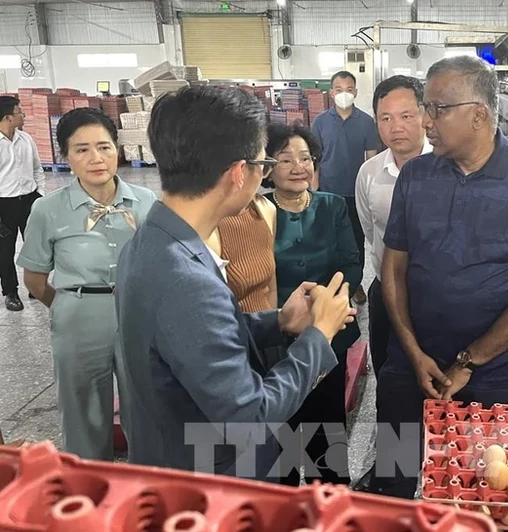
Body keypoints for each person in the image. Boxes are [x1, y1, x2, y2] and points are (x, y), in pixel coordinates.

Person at [114, 86, 356, 480]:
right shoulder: (186, 278)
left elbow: (189, 339)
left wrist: (275, 320)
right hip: (212, 478)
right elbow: (252, 414)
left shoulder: (151, 240)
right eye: (265, 161)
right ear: (239, 172)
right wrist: (319, 334)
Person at [373, 56, 508, 498]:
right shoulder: (416, 176)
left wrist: (467, 362)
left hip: (492, 374)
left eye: (436, 109)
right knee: (393, 478)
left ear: (479, 114)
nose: (426, 121)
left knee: (480, 490)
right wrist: (411, 349)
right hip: (410, 364)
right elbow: (394, 267)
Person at [16, 108, 157, 460]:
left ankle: (146, 481)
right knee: (83, 411)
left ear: (117, 149)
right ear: (65, 156)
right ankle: (88, 486)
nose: (96, 158)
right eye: (81, 150)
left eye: (104, 147)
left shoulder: (146, 202)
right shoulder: (48, 210)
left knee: (145, 406)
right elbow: (34, 278)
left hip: (136, 316)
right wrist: (68, 305)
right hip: (78, 319)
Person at [264, 123, 362, 486]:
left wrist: (324, 307)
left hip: (328, 337)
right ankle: (285, 504)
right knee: (282, 427)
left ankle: (330, 503)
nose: (297, 166)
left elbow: (351, 263)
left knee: (327, 427)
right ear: (268, 167)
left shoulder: (333, 206)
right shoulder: (253, 211)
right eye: (285, 159)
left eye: (305, 158)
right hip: (274, 338)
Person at [356, 75, 431, 376]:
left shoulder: (447, 168)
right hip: (386, 291)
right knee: (388, 375)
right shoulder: (369, 173)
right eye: (385, 118)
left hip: (435, 296)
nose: (396, 126)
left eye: (406, 116)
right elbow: (371, 231)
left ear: (425, 115)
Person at [312, 71, 379, 305]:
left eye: (349, 89)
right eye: (338, 89)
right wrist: (313, 193)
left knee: (355, 242)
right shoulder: (320, 123)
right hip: (328, 193)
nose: (344, 94)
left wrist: (370, 193)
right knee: (328, 241)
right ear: (331, 93)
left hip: (356, 195)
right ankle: (329, 284)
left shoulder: (366, 123)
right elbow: (315, 161)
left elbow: (372, 161)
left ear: (356, 92)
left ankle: (354, 283)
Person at [0, 96, 46, 312]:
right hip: (3, 204)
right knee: (4, 251)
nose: (24, 115)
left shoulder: (26, 139)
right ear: (8, 117)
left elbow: (38, 168)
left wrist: (40, 195)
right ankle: (10, 292)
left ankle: (35, 286)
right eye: (20, 112)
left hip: (29, 200)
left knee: (34, 247)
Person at [207, 194, 278, 312]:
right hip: (231, 326)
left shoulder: (264, 207)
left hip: (267, 323)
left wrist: (273, 323)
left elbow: (271, 288)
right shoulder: (208, 222)